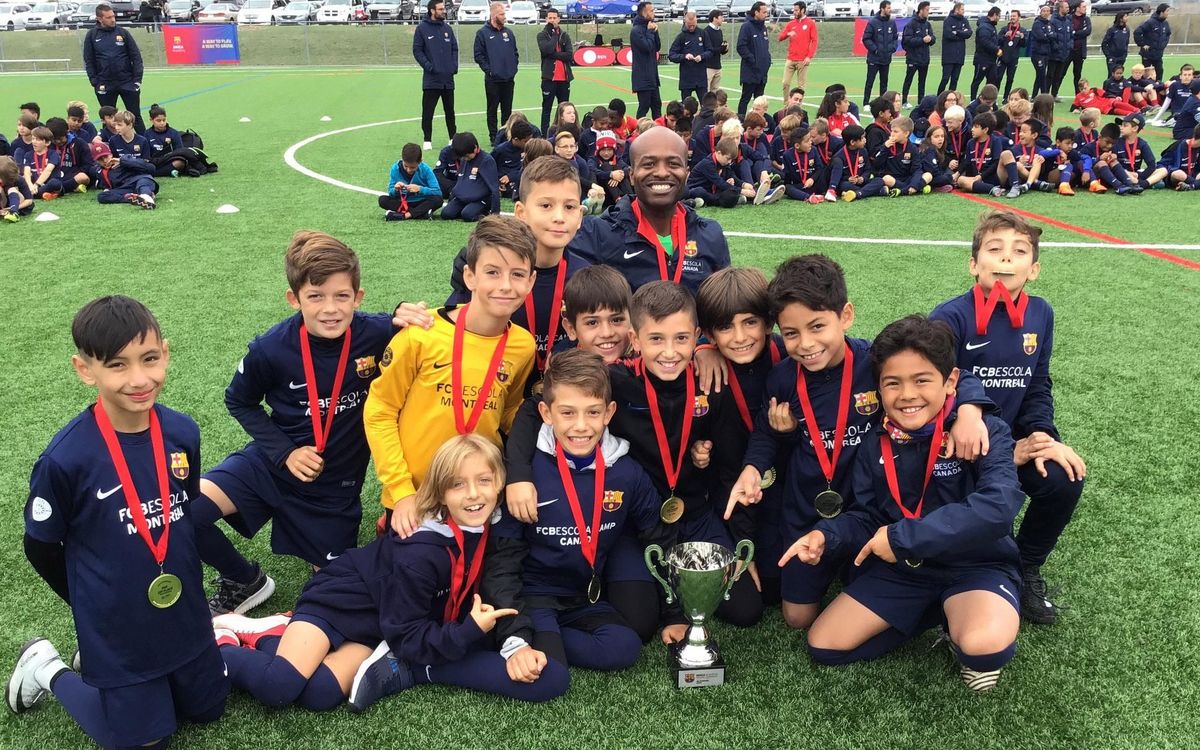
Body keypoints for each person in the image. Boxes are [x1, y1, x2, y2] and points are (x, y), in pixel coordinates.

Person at [213, 434, 568, 712]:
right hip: (339, 603)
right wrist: (467, 632)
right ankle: (223, 641)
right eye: (458, 484)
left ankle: (271, 633)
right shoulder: (419, 555)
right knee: (281, 686)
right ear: (441, 493)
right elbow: (409, 639)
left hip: (382, 622)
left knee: (319, 693)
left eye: (484, 480)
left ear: (500, 482)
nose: (474, 494)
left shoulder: (490, 527)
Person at [9, 295, 228, 746]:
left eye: (149, 359)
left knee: (209, 712)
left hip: (183, 613)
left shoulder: (182, 432)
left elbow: (181, 511)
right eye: (117, 365)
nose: (139, 379)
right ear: (85, 369)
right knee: (149, 742)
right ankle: (48, 669)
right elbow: (41, 546)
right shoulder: (66, 459)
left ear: (165, 353)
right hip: (116, 628)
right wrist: (89, 606)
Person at [797, 313, 1022, 692]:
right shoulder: (876, 441)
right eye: (893, 383)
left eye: (922, 380)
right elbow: (868, 516)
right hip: (906, 569)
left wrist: (903, 537)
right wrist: (827, 534)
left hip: (975, 565)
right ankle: (935, 614)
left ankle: (964, 619)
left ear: (951, 382)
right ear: (880, 389)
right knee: (824, 646)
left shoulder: (983, 430)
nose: (907, 395)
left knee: (982, 647)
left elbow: (997, 510)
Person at [930, 211, 1087, 625]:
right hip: (955, 440)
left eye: (1019, 252)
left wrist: (1041, 435)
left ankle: (1026, 566)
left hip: (1012, 439)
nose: (1005, 259)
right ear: (973, 263)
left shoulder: (1041, 314)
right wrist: (968, 411)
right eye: (994, 249)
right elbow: (936, 384)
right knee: (972, 525)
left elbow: (1037, 383)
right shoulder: (950, 317)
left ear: (1033, 269)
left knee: (1063, 476)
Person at [483, 350, 671, 674]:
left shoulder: (626, 473)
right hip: (536, 595)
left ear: (609, 413)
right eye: (567, 413)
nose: (581, 426)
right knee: (550, 672)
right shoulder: (523, 477)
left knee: (625, 647)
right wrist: (516, 633)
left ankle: (546, 639)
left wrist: (678, 612)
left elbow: (658, 535)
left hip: (584, 597)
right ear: (546, 412)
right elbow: (502, 559)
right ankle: (524, 636)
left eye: (593, 412)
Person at [365, 215, 537, 537]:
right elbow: (380, 412)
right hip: (415, 496)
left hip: (478, 494)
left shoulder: (522, 345)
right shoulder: (421, 335)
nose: (505, 285)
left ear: (531, 281)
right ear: (469, 276)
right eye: (492, 272)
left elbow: (509, 411)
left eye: (517, 275)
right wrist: (401, 491)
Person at [567, 127, 731, 294]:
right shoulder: (598, 234)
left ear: (686, 173)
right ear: (631, 175)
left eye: (673, 164)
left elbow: (724, 309)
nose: (661, 173)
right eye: (649, 164)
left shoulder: (710, 235)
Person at [83, 4, 145, 133]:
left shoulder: (122, 33)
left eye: (113, 16)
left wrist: (137, 80)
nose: (113, 19)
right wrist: (95, 82)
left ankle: (145, 148)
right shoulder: (92, 35)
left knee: (135, 116)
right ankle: (110, 148)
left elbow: (136, 57)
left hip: (127, 82)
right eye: (109, 17)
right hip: (104, 84)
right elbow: (89, 61)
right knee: (108, 120)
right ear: (100, 19)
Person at [413, 0, 458, 151]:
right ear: (432, 11)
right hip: (431, 80)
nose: (443, 11)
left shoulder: (447, 29)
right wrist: (429, 66)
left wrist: (453, 67)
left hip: (447, 79)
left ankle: (452, 138)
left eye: (443, 8)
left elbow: (454, 49)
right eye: (440, 9)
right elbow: (417, 51)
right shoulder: (422, 29)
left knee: (450, 111)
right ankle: (427, 140)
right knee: (428, 111)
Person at [475, 2, 519, 141]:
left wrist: (513, 69)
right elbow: (479, 56)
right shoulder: (482, 33)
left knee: (507, 110)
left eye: (504, 13)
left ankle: (505, 135)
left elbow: (515, 53)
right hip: (493, 80)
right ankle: (494, 136)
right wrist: (490, 71)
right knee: (492, 109)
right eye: (501, 14)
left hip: (508, 79)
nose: (504, 16)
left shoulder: (509, 33)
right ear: (493, 15)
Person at [441, 132, 501, 221]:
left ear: (475, 148)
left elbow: (494, 188)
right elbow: (461, 180)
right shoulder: (465, 159)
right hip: (462, 197)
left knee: (467, 215)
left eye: (466, 156)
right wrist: (452, 197)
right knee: (446, 213)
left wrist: (495, 213)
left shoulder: (486, 160)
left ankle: (482, 212)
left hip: (480, 199)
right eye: (463, 156)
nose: (465, 158)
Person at [538, 10, 574, 135]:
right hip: (549, 78)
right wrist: (553, 35)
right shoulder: (541, 35)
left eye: (554, 18)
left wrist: (554, 55)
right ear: (546, 19)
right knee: (546, 108)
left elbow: (569, 55)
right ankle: (544, 134)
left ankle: (564, 132)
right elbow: (546, 49)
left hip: (564, 79)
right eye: (550, 18)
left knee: (564, 109)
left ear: (559, 19)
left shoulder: (565, 35)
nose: (552, 20)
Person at [736, 2, 772, 118]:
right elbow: (741, 46)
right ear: (756, 12)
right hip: (750, 71)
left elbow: (765, 47)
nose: (766, 14)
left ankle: (758, 121)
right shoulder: (746, 27)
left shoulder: (764, 28)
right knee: (745, 98)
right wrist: (752, 60)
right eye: (764, 12)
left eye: (766, 12)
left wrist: (767, 59)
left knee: (760, 100)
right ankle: (741, 120)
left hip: (762, 72)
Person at [779, 2, 818, 101]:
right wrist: (788, 33)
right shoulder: (791, 23)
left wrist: (809, 56)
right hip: (791, 58)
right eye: (794, 10)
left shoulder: (810, 23)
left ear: (803, 10)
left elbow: (814, 41)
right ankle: (786, 103)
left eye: (796, 10)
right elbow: (780, 37)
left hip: (803, 59)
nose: (794, 12)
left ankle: (799, 104)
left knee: (801, 86)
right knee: (785, 82)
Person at [861, 1, 898, 107]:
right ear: (882, 9)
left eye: (890, 8)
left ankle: (883, 103)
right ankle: (866, 103)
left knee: (884, 82)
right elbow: (866, 38)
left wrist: (893, 48)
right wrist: (875, 50)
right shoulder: (873, 22)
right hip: (874, 58)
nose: (890, 10)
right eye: (888, 8)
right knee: (870, 81)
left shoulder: (891, 22)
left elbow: (895, 37)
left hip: (886, 58)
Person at [670, 11, 711, 103]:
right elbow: (672, 55)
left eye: (693, 25)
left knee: (705, 105)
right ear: (685, 22)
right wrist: (684, 56)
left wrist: (702, 56)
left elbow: (710, 51)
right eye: (689, 25)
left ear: (696, 21)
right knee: (685, 108)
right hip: (686, 79)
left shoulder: (703, 34)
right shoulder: (681, 36)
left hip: (701, 79)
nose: (691, 27)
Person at [631, 2, 662, 120]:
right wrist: (650, 32)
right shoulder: (636, 30)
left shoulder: (650, 27)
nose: (653, 13)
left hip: (653, 76)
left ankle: (658, 131)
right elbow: (647, 48)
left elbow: (657, 47)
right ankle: (638, 132)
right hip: (642, 77)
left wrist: (655, 32)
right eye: (651, 11)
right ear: (644, 13)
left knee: (657, 105)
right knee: (644, 106)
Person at [901, 2, 934, 108]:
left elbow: (933, 38)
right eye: (927, 10)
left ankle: (921, 102)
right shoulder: (911, 24)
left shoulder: (927, 24)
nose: (928, 12)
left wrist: (931, 39)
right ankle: (904, 101)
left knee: (922, 82)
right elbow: (907, 40)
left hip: (924, 58)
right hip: (913, 58)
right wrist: (922, 40)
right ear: (921, 10)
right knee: (908, 80)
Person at [1133, 4, 1170, 87]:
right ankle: (1143, 89)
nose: (1168, 13)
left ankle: (1158, 88)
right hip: (1148, 54)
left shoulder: (1165, 23)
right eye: (1167, 11)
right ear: (1161, 12)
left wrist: (1164, 44)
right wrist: (1142, 44)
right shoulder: (1150, 22)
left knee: (1159, 71)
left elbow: (1168, 34)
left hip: (1158, 53)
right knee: (1146, 73)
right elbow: (1137, 32)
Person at [939, 2, 971, 94]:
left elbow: (969, 33)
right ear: (956, 9)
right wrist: (962, 34)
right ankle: (939, 98)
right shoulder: (948, 20)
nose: (963, 11)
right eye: (962, 9)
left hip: (959, 55)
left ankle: (951, 98)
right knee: (945, 78)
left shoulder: (964, 20)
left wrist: (957, 32)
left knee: (955, 79)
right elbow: (948, 34)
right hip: (949, 56)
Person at [970, 6, 1001, 102]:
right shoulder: (984, 26)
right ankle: (973, 100)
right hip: (982, 59)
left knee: (992, 81)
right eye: (999, 16)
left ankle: (988, 100)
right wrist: (997, 49)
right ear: (994, 15)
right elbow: (985, 41)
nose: (999, 18)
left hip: (991, 60)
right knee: (977, 80)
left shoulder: (991, 26)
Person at [1161, 124, 1200, 190]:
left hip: (1193, 175)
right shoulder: (1178, 145)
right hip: (1177, 175)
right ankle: (1194, 185)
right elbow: (1162, 164)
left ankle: (1189, 186)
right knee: (1178, 174)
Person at [1064, 1, 1091, 95]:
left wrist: (1075, 33)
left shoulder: (1086, 19)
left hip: (1079, 51)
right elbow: (1067, 32)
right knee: (1061, 72)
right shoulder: (1068, 18)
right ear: (1077, 8)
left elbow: (1087, 31)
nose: (1085, 8)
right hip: (1068, 50)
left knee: (1077, 74)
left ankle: (1078, 94)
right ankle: (1054, 94)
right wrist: (1076, 33)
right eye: (1083, 6)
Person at [998, 10, 1025, 102]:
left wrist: (1022, 37)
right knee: (998, 78)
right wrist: (1005, 36)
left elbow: (1024, 45)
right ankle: (994, 97)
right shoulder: (1004, 29)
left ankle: (1006, 97)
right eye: (1011, 16)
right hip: (1002, 57)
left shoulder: (1022, 30)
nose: (1012, 17)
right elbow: (998, 41)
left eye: (1014, 16)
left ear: (1019, 17)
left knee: (1010, 79)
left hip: (1013, 58)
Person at [1028, 4, 1054, 97]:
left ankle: (1034, 96)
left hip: (1046, 53)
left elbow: (1054, 35)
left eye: (1048, 11)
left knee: (1040, 75)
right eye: (1044, 11)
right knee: (1042, 75)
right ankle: (1044, 96)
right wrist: (1049, 36)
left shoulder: (1049, 23)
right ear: (1040, 12)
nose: (1046, 13)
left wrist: (1049, 36)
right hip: (1037, 54)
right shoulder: (1037, 23)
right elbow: (1041, 37)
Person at [1048, 1, 1072, 100]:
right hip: (1054, 54)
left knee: (1059, 75)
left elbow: (1071, 36)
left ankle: (1054, 94)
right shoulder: (1053, 21)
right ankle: (1045, 94)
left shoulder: (1068, 21)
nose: (1068, 9)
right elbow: (1051, 37)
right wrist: (1056, 47)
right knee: (1050, 75)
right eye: (1066, 7)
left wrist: (1070, 46)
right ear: (1060, 8)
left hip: (1064, 53)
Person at [703, 9, 728, 93]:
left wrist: (724, 49)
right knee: (706, 91)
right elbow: (708, 49)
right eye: (721, 17)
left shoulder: (719, 31)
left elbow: (719, 49)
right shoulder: (706, 31)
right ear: (715, 18)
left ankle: (713, 106)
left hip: (718, 66)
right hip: (708, 66)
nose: (723, 19)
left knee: (715, 92)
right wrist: (720, 49)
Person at [1101, 13, 1130, 78]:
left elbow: (1126, 43)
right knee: (1111, 76)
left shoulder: (1127, 30)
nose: (1127, 18)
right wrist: (1109, 56)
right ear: (1120, 18)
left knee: (1119, 76)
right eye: (1125, 16)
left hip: (1122, 57)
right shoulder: (1112, 30)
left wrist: (1125, 54)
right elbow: (1104, 43)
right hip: (1112, 57)